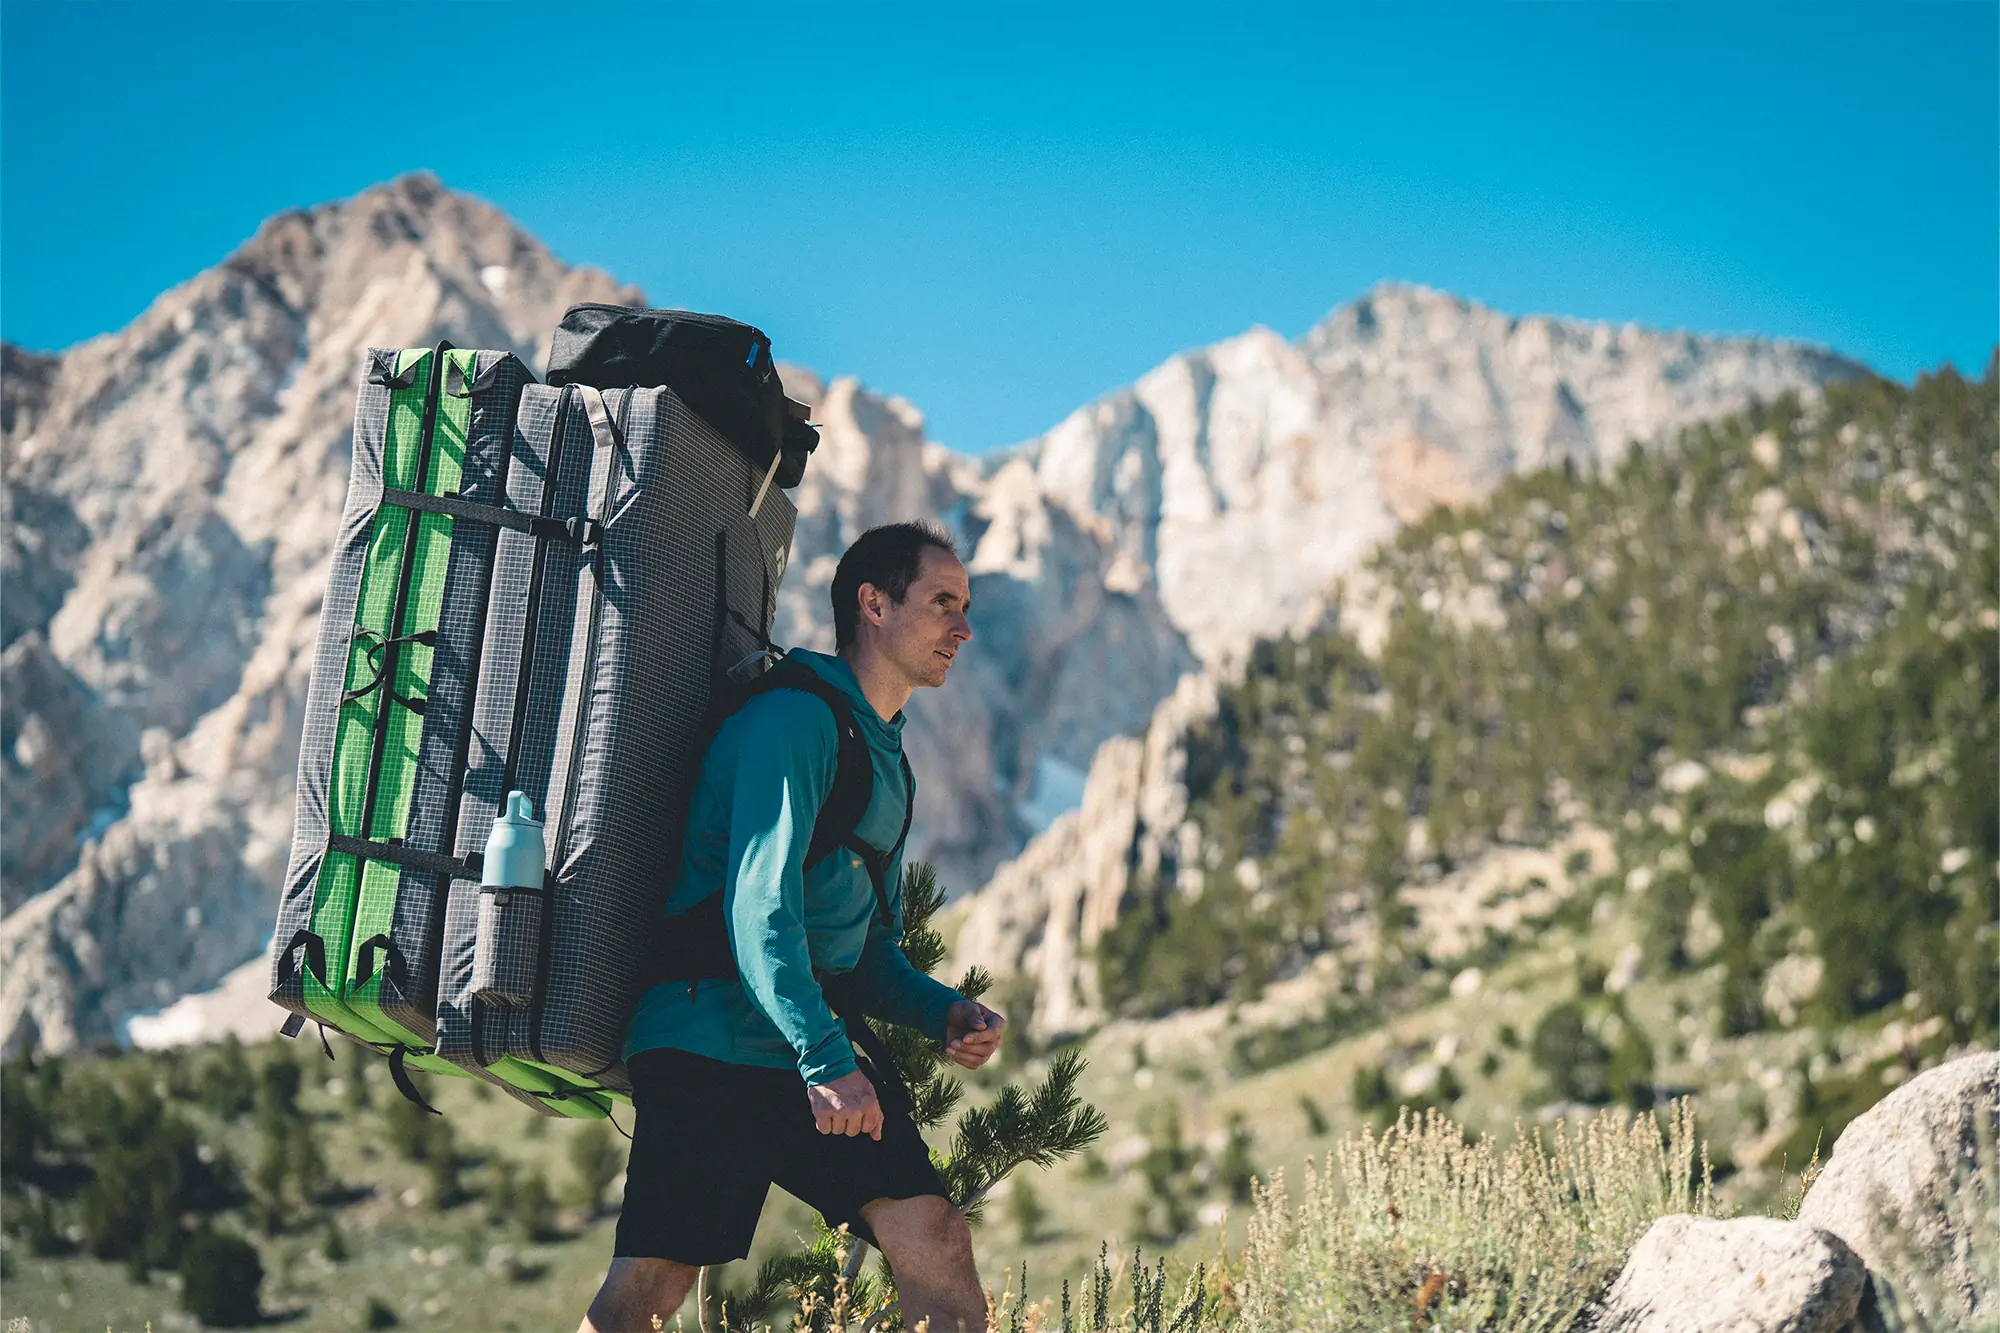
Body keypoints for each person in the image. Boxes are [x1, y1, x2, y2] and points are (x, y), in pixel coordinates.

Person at [580, 521, 1006, 1333]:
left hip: (803, 1035)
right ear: (872, 603)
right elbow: (757, 906)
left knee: (934, 1234)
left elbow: (867, 946)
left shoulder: (887, 757)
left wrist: (938, 1008)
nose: (965, 627)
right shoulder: (794, 723)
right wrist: (823, 1055)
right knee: (652, 1287)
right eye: (943, 602)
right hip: (710, 1029)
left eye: (967, 605)